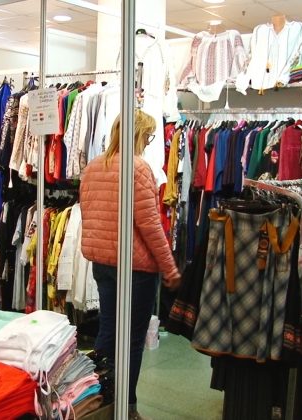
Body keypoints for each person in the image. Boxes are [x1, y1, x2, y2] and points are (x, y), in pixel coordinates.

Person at [79, 109, 181, 420]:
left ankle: (98, 401)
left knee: (107, 332)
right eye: (148, 136)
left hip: (103, 262)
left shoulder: (93, 167)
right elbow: (150, 225)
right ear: (138, 134)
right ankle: (128, 407)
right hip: (136, 267)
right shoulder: (138, 168)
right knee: (132, 340)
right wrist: (169, 267)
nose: (149, 142)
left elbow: (89, 215)